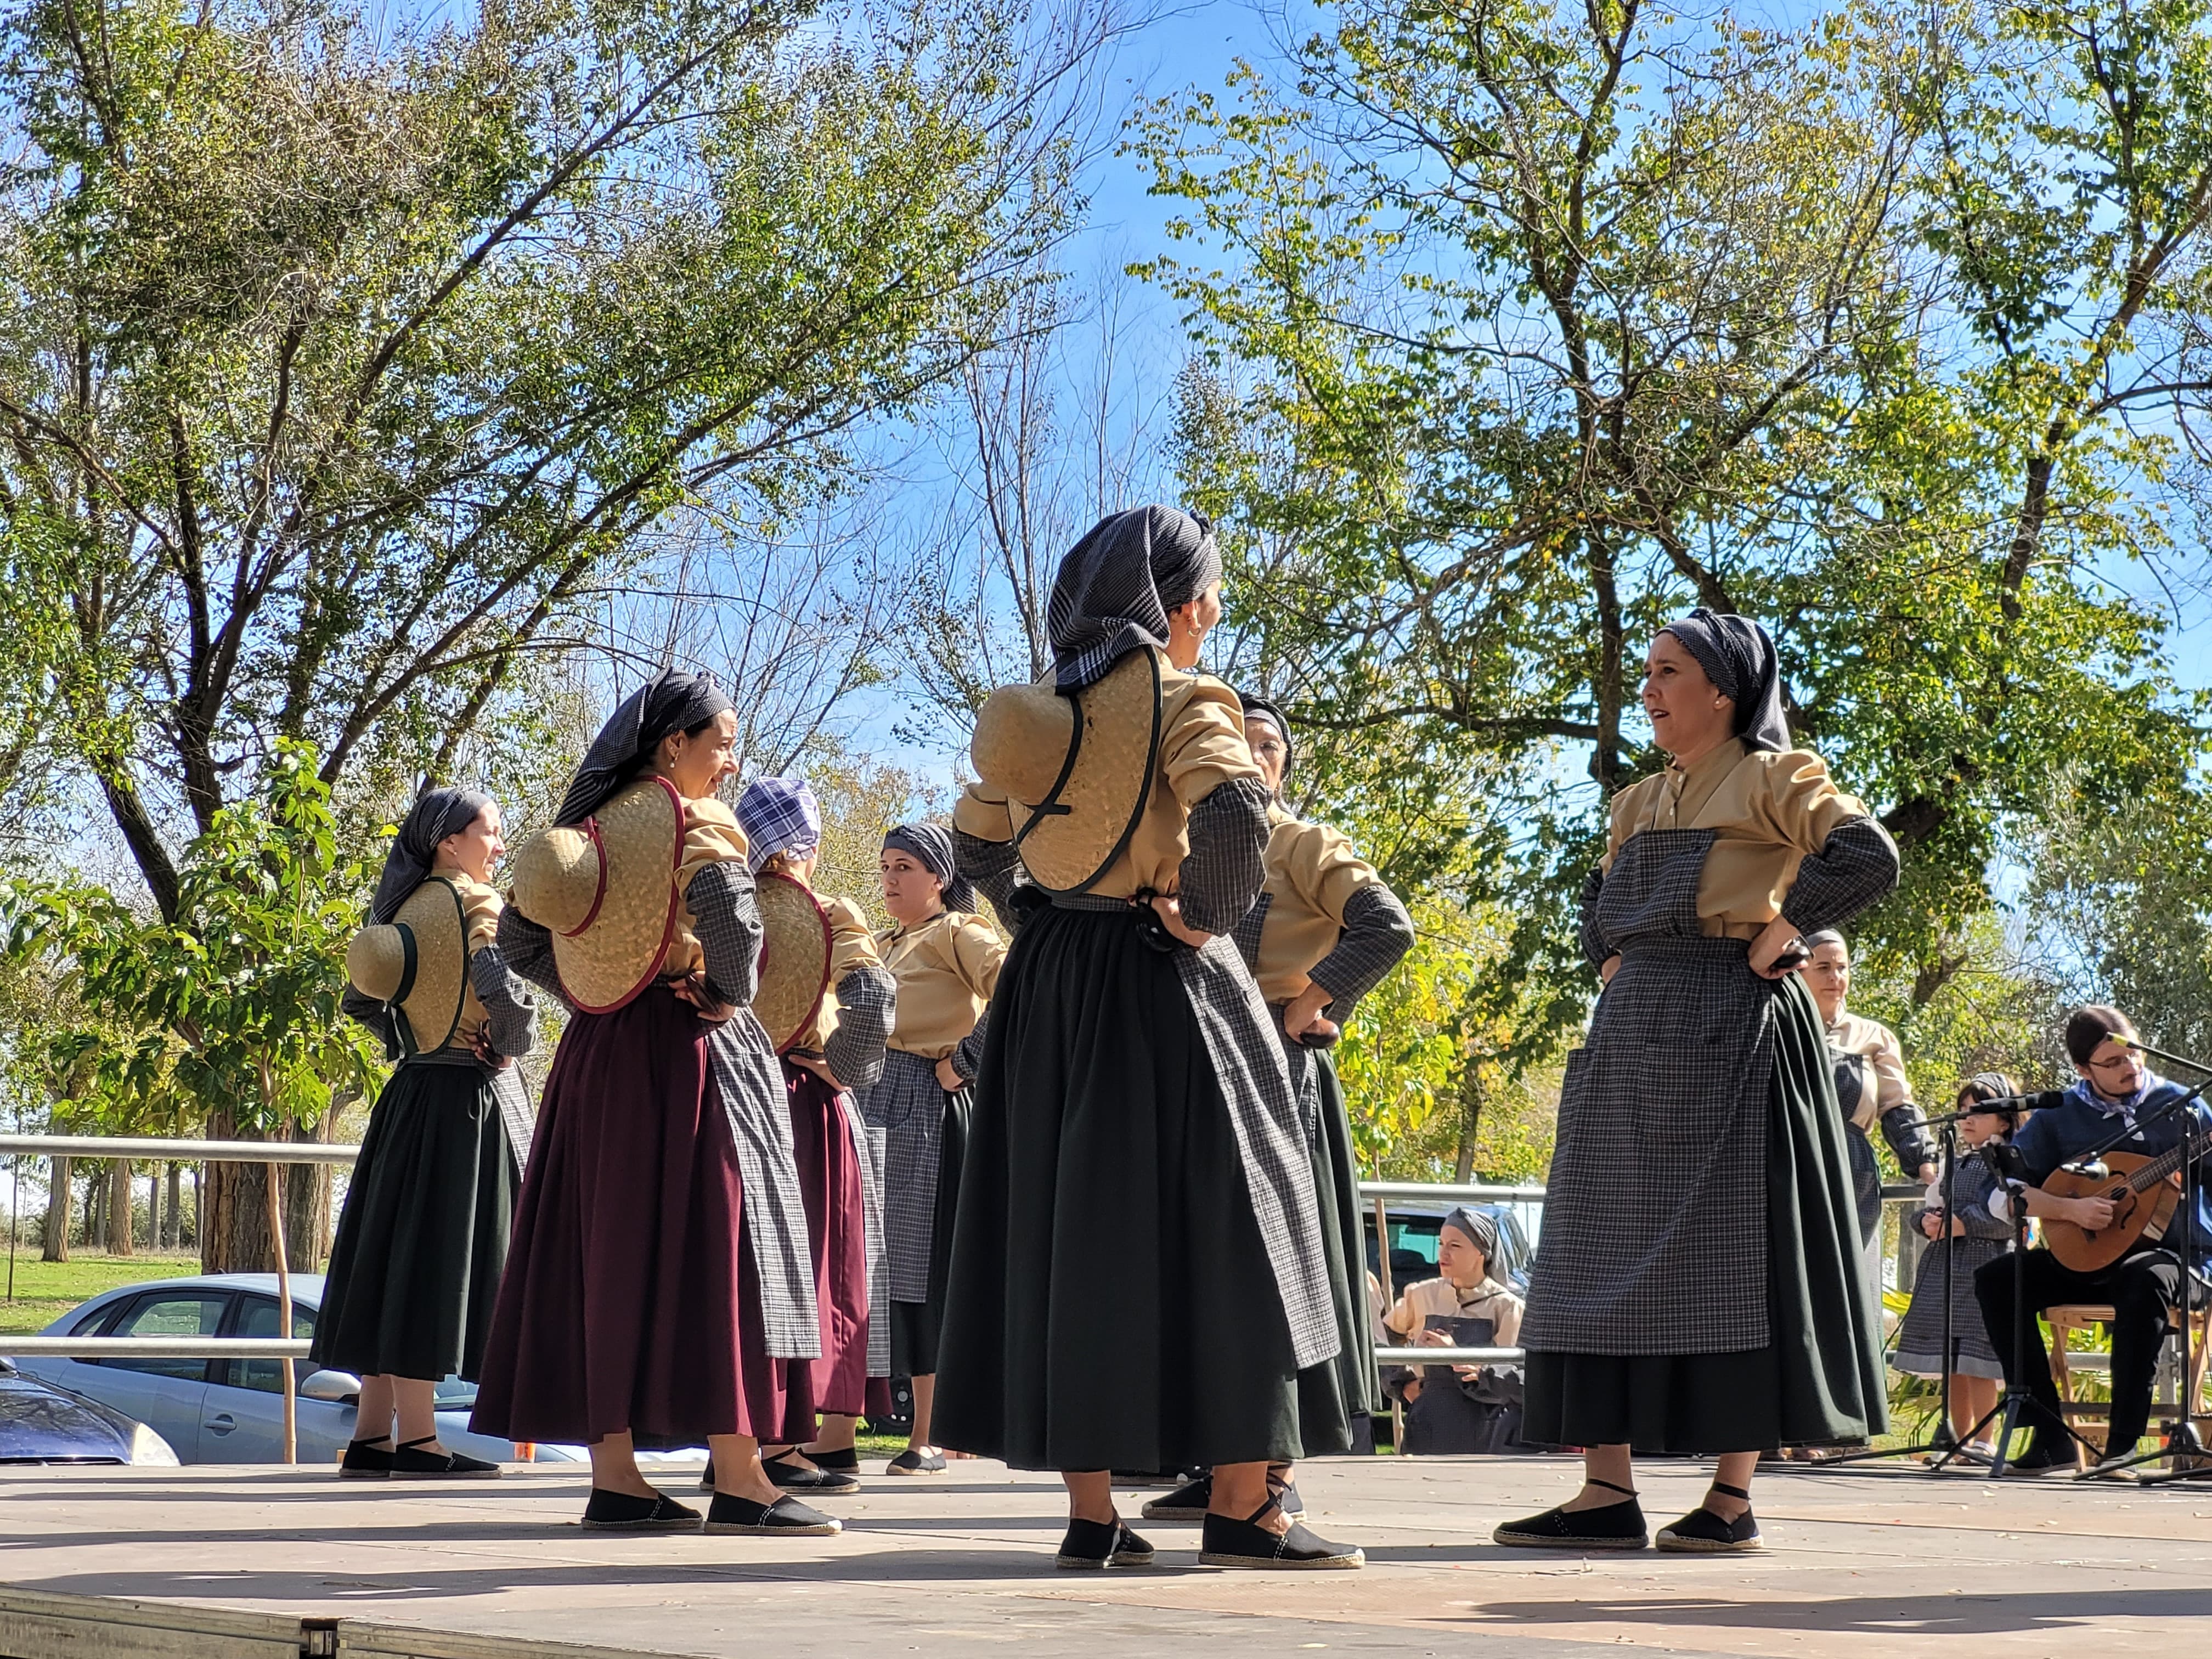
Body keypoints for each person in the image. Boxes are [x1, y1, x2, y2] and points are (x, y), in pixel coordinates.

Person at [939, 503, 1362, 1570]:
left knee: (1072, 1234)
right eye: (1210, 599)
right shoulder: (1185, 698)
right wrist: (1207, 917)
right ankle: (1245, 1506)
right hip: (1168, 980)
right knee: (1239, 1226)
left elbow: (976, 840)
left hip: (1052, 985)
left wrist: (1031, 916)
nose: (1213, 617)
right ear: (1181, 607)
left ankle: (1094, 1518)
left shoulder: (1022, 714)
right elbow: (1234, 818)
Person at [1499, 608, 1898, 1555]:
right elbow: (1598, 904)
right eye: (1646, 670)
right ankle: (1605, 1488)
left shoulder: (1774, 775)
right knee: (1596, 1247)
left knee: (1734, 1256)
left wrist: (1784, 926)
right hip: (1633, 1035)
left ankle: (1729, 1498)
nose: (1647, 687)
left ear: (1723, 690)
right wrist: (1615, 963)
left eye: (1668, 671)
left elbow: (1866, 854)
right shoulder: (1634, 800)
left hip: (1735, 1030)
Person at [472, 669, 838, 1537]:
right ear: (673, 744)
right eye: (720, 741)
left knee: (608, 1257)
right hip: (690, 1054)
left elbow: (521, 934)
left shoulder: (584, 829)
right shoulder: (695, 817)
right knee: (727, 1248)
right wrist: (720, 990)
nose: (730, 758)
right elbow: (735, 922)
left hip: (597, 1059)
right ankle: (744, 1480)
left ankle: (618, 1478)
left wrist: (595, 983)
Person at [1141, 692, 1414, 1522]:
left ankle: (1276, 1474)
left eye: (1267, 745)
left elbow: (1387, 927)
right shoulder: (1179, 848)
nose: (1252, 756)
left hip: (1277, 1071)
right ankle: (1226, 1456)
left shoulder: (1303, 844)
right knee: (1214, 1272)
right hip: (1195, 1073)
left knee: (1280, 1268)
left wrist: (1313, 1002)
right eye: (1236, 742)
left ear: (1285, 764)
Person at [318, 787, 536, 1479]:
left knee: (393, 1258)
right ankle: (419, 1440)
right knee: (431, 1263)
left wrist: (413, 1040)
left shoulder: (397, 910)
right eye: (491, 832)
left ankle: (372, 1436)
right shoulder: (479, 904)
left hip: (409, 1094)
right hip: (463, 1105)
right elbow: (506, 996)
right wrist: (506, 1042)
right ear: (451, 841)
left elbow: (359, 997)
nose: (498, 845)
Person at [735, 776, 896, 1498]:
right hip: (805, 1103)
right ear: (809, 842)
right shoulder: (829, 914)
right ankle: (792, 1443)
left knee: (742, 1267)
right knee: (815, 1266)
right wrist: (845, 1067)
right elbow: (876, 995)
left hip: (730, 1100)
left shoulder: (718, 905)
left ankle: (740, 1436)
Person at [1972, 1006, 2212, 1478]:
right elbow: (2003, 1194)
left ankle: (2122, 1449)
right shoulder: (2060, 1116)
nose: (2131, 1068)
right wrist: (2071, 1210)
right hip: (2092, 1258)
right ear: (2083, 1069)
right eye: (2113, 1063)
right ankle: (2050, 1439)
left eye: (2134, 1054)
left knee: (2140, 1280)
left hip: (2179, 1261)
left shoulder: (2183, 1107)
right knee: (2000, 1280)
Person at [853, 822, 1005, 1476]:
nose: (889, 878)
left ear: (939, 877)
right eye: (885, 865)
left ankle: (929, 1434)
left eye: (905, 867)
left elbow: (1017, 987)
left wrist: (965, 1061)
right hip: (873, 1102)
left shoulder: (959, 933)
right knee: (876, 1268)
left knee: (923, 1266)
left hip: (926, 1104)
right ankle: (853, 1419)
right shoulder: (884, 942)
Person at [1890, 1075, 2019, 1461]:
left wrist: (1965, 1224)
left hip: (1985, 1266)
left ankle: (1985, 1439)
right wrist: (1927, 1221)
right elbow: (1933, 1204)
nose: (1967, 1119)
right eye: (1964, 1111)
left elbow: (2012, 1215)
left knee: (1979, 1356)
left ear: (2005, 1121)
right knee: (1955, 1359)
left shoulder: (2007, 1162)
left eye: (1979, 1111)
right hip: (1948, 1268)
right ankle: (1960, 1441)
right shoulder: (1955, 1162)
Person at [1799, 930, 1938, 1271]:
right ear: (1800, 971)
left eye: (1843, 968)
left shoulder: (1873, 1036)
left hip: (1852, 1167)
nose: (1835, 977)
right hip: (1792, 1158)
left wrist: (1927, 1167)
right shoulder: (1778, 1029)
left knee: (1845, 1268)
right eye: (1823, 968)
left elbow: (1897, 1107)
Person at [1379, 1207, 1527, 1455]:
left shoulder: (1507, 1307)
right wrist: (1401, 1383)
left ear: (1482, 1252)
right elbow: (1384, 1338)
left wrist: (1461, 1357)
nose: (1443, 1254)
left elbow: (1515, 1378)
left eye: (1455, 1246)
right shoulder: (1421, 1294)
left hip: (1486, 1430)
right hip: (1426, 1426)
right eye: (1441, 1244)